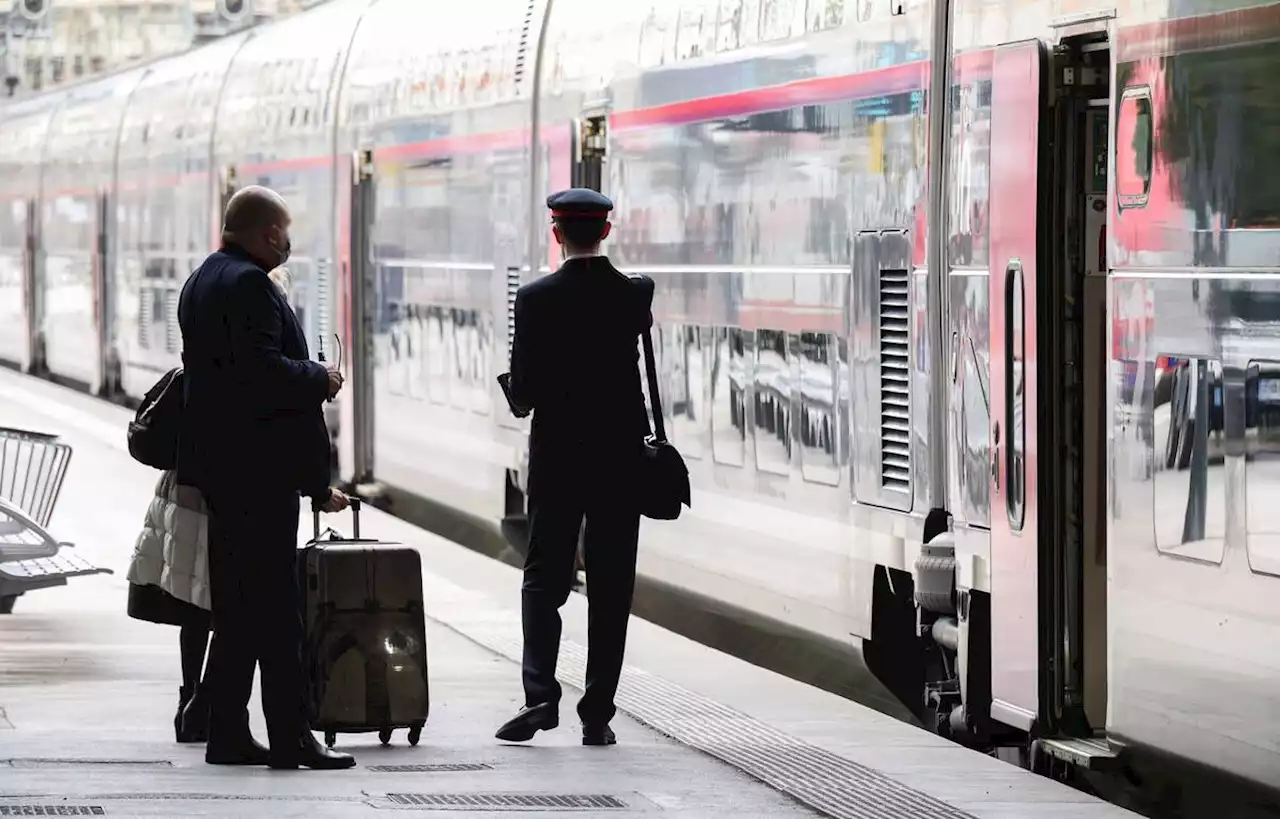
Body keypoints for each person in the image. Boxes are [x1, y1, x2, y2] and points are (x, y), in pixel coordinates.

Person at [177, 185, 355, 770]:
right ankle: (291, 737)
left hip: (224, 473)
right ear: (263, 232)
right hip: (257, 478)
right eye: (282, 231)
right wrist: (317, 376)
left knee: (239, 611)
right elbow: (258, 375)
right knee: (278, 614)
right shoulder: (250, 284)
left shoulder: (203, 277)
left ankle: (227, 731)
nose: (287, 241)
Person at [495, 188, 654, 747]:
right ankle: (598, 715)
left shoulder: (536, 298)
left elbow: (527, 393)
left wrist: (517, 389)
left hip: (559, 459)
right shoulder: (636, 295)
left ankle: (540, 697)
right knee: (612, 587)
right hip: (619, 460)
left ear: (555, 233)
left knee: (544, 579)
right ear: (606, 232)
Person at [125, 265, 298, 747]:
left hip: (182, 495)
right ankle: (205, 705)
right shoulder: (237, 381)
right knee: (222, 605)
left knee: (198, 606)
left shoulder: (197, 371)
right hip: (213, 498)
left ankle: (193, 701)